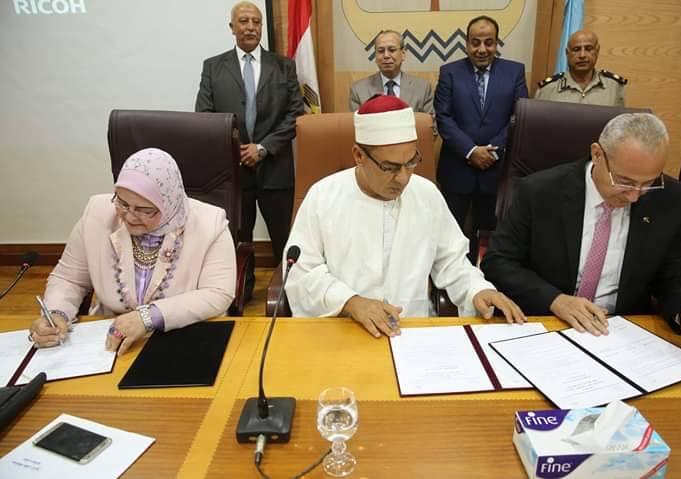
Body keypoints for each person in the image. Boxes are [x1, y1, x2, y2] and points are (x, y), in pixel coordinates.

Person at [482, 113, 681, 365]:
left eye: (649, 183)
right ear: (597, 154)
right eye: (625, 181)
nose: (634, 197)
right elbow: (498, 262)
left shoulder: (673, 199)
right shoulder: (539, 191)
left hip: (623, 337)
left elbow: (674, 274)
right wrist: (555, 300)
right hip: (547, 327)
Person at [283, 95, 525, 338]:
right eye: (389, 167)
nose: (403, 178)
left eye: (411, 163)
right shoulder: (323, 196)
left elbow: (452, 262)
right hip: (345, 329)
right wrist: (350, 302)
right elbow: (301, 271)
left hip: (411, 330)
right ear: (359, 155)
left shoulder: (426, 194)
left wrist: (478, 289)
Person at [29, 148, 237, 355]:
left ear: (168, 203)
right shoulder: (96, 213)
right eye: (122, 203)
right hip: (108, 342)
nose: (129, 216)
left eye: (145, 210)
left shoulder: (210, 223)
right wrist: (57, 313)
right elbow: (69, 278)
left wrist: (148, 317)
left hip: (185, 336)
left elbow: (218, 293)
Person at [195, 1, 304, 284]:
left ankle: (288, 290)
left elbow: (296, 114)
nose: (251, 27)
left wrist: (263, 148)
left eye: (256, 22)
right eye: (244, 21)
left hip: (276, 169)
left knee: (283, 237)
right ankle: (242, 288)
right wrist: (238, 151)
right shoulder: (213, 67)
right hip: (234, 172)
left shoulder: (283, 66)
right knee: (237, 239)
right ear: (232, 27)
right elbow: (205, 116)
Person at [434, 15, 528, 263]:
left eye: (489, 42)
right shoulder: (449, 72)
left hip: (497, 171)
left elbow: (519, 116)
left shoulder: (515, 72)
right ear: (467, 43)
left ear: (497, 43)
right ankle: (453, 279)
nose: (482, 49)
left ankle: (487, 277)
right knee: (452, 235)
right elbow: (443, 117)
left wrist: (492, 151)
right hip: (458, 168)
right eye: (475, 42)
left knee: (493, 236)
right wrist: (470, 151)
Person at [349, 29, 434, 119]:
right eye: (381, 51)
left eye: (392, 50)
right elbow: (356, 125)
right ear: (375, 56)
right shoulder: (358, 90)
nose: (386, 55)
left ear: (403, 54)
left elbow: (429, 124)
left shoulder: (422, 88)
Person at [535, 30, 626, 107]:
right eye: (576, 49)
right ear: (567, 53)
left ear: (597, 51)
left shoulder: (614, 87)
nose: (582, 55)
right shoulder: (548, 89)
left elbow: (621, 122)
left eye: (588, 49)